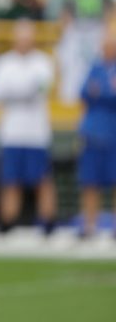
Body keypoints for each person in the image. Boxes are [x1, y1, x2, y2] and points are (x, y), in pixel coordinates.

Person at [0, 21, 57, 236]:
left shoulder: (43, 62)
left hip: (36, 132)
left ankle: (48, 220)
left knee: (41, 178)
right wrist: (24, 90)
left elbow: (42, 89)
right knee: (11, 179)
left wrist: (17, 90)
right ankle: (8, 220)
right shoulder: (3, 63)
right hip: (12, 131)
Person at [77, 34, 116, 239]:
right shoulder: (96, 68)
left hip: (113, 134)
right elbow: (84, 91)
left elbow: (104, 94)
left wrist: (101, 92)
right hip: (93, 134)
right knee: (90, 182)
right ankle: (89, 225)